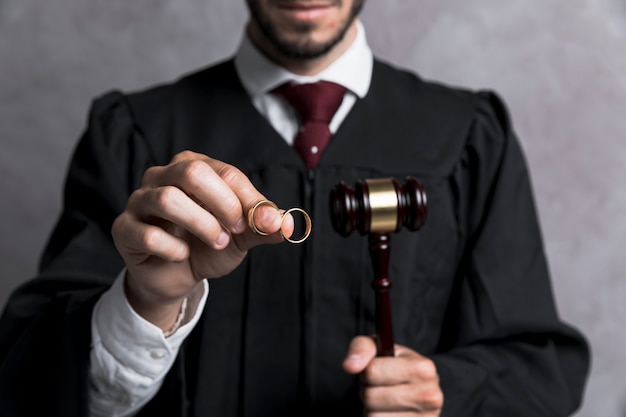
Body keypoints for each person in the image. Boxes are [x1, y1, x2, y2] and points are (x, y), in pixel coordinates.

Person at [0, 1, 590, 416]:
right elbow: (29, 378)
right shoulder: (135, 135)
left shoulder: (467, 138)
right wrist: (147, 302)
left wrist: (446, 393)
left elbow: (540, 370)